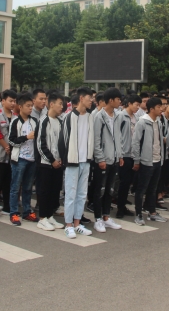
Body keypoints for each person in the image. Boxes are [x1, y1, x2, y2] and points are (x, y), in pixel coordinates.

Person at [58, 87, 95, 238]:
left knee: (82, 194)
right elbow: (63, 141)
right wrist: (66, 160)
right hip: (72, 161)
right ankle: (68, 225)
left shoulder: (91, 117)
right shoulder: (69, 117)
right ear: (81, 98)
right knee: (70, 194)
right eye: (89, 98)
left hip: (86, 160)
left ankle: (77, 223)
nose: (91, 101)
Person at [131, 97, 167, 225]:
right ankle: (138, 214)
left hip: (157, 160)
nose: (161, 109)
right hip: (146, 161)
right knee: (141, 189)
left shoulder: (158, 122)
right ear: (151, 109)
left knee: (153, 188)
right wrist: (137, 160)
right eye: (159, 107)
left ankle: (152, 212)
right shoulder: (142, 122)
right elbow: (135, 142)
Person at [91, 88, 124, 231]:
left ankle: (106, 216)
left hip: (114, 158)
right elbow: (96, 140)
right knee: (100, 190)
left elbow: (118, 137)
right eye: (118, 99)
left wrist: (120, 155)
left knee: (110, 190)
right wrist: (100, 158)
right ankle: (98, 219)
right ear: (111, 100)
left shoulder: (117, 116)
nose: (120, 102)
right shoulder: (99, 117)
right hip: (103, 159)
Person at [7, 93, 39, 226]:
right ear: (20, 107)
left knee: (28, 187)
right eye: (28, 106)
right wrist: (26, 137)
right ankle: (13, 213)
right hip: (19, 159)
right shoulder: (15, 122)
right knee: (15, 187)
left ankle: (27, 211)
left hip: (32, 159)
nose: (30, 108)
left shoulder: (34, 121)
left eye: (31, 106)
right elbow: (11, 140)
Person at [35, 93, 65, 231]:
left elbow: (62, 143)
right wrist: (52, 160)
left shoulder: (60, 122)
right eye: (60, 103)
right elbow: (40, 144)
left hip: (58, 163)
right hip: (45, 164)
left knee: (54, 191)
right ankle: (42, 218)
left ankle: (50, 215)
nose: (62, 107)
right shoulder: (43, 121)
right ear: (51, 104)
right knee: (44, 191)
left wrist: (61, 159)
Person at [0, 89, 17, 219]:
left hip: (12, 156)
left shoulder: (15, 116)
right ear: (3, 101)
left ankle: (7, 206)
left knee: (8, 182)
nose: (13, 103)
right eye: (10, 101)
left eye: (14, 101)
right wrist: (6, 146)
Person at [114, 94, 140, 219]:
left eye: (139, 105)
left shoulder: (136, 118)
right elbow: (116, 135)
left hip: (133, 154)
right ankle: (120, 208)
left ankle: (123, 205)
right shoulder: (120, 116)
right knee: (123, 182)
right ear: (129, 103)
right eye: (136, 105)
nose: (137, 107)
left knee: (128, 182)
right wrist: (119, 153)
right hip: (123, 154)